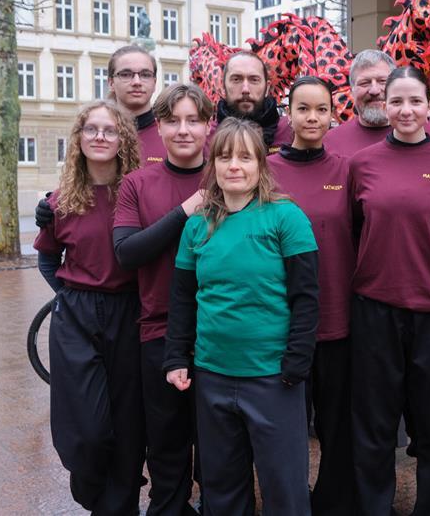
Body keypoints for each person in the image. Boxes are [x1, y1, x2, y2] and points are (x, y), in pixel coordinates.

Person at [164, 118, 318, 516]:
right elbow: (183, 298)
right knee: (222, 485)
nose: (235, 165)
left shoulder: (286, 218)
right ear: (212, 164)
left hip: (272, 377)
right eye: (225, 156)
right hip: (213, 374)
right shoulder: (197, 225)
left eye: (245, 157)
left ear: (261, 165)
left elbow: (305, 296)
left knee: (283, 485)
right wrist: (178, 356)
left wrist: (297, 361)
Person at [349, 66, 430, 516]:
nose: (404, 109)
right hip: (374, 309)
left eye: (414, 101)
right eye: (395, 101)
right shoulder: (361, 165)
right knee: (375, 425)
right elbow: (357, 229)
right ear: (385, 105)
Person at [33, 100, 144, 514]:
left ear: (123, 140)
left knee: (130, 423)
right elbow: (48, 259)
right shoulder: (63, 200)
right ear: (79, 139)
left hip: (131, 312)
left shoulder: (137, 194)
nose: (100, 137)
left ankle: (121, 504)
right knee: (89, 429)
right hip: (77, 316)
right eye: (91, 129)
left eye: (110, 130)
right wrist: (68, 297)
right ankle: (93, 490)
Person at [112, 84, 213, 516]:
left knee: (218, 453)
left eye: (194, 120)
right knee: (167, 449)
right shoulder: (137, 183)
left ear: (210, 126)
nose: (184, 130)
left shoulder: (229, 175)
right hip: (158, 331)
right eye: (173, 121)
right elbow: (127, 252)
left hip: (220, 334)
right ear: (159, 127)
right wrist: (184, 211)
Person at [268, 76, 355, 515]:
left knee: (337, 423)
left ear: (333, 113)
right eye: (303, 109)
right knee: (288, 426)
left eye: (321, 109)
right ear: (289, 113)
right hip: (281, 322)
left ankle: (333, 500)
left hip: (338, 317)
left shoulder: (346, 169)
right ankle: (291, 500)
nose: (312, 117)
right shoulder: (266, 170)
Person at [35, 44, 165, 226]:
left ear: (154, 81)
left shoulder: (171, 135)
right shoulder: (94, 135)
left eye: (145, 74)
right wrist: (55, 203)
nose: (137, 81)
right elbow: (81, 178)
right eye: (126, 74)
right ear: (111, 82)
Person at [325, 49, 430, 163]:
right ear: (352, 91)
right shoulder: (331, 142)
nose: (374, 90)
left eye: (382, 81)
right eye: (364, 83)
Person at [216, 51, 293, 153]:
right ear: (223, 87)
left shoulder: (291, 132)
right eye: (236, 79)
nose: (245, 89)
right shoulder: (205, 138)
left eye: (254, 80)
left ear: (267, 88)